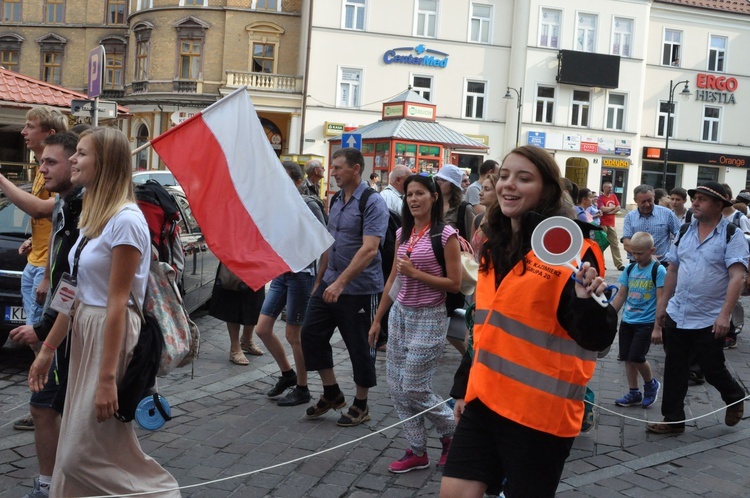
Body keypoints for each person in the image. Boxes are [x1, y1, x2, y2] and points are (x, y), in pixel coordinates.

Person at [440, 145, 617, 498]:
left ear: (547, 189)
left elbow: (598, 339)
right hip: (485, 401)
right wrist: (464, 387)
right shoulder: (494, 242)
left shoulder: (573, 249)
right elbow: (486, 324)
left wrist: (588, 303)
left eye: (524, 178)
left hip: (540, 415)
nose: (509, 185)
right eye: (504, 176)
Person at [27, 127, 180, 497]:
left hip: (109, 334)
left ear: (104, 162)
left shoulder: (127, 220)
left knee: (79, 455)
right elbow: (74, 291)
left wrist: (108, 379)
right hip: (84, 330)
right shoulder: (95, 218)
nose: (73, 160)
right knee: (76, 449)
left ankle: (159, 493)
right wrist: (48, 350)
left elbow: (117, 303)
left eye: (80, 153)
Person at [368, 173, 461, 473]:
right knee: (396, 388)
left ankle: (453, 434)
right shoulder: (402, 235)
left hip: (430, 317)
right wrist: (378, 319)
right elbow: (394, 280)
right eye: (409, 194)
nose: (413, 199)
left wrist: (417, 273)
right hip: (400, 316)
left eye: (420, 193)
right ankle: (417, 450)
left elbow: (454, 284)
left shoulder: (446, 236)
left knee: (414, 387)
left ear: (434, 197)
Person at [8, 132, 81, 498]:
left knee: (53, 407)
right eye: (41, 161)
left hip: (79, 330)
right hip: (62, 324)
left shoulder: (89, 208)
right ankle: (52, 484)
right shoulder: (67, 202)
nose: (42, 168)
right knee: (46, 407)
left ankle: (56, 485)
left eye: (51, 162)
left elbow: (77, 281)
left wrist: (45, 334)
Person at [648, 182, 748, 435]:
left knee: (712, 368)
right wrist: (663, 305)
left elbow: (737, 277)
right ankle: (673, 420)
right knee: (674, 368)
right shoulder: (684, 231)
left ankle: (734, 395)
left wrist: (725, 315)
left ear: (718, 205)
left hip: (709, 316)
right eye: (695, 198)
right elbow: (672, 269)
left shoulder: (731, 234)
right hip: (679, 312)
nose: (695, 202)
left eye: (702, 199)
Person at [301, 147, 388, 427]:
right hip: (330, 282)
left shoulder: (373, 202)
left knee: (360, 347)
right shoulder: (337, 199)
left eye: (338, 167)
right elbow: (331, 241)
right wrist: (320, 280)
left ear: (356, 169)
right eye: (333, 167)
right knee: (310, 334)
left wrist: (340, 283)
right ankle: (332, 392)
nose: (333, 172)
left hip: (360, 289)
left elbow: (370, 249)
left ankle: (361, 405)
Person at [3, 107, 67, 432]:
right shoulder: (43, 168)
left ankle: (49, 402)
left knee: (42, 339)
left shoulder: (59, 170)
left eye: (31, 126)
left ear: (50, 134)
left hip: (44, 268)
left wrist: (45, 274)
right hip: (35, 262)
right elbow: (48, 222)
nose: (24, 132)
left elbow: (46, 211)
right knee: (34, 340)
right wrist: (31, 238)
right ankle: (45, 399)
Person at [256, 161, 326, 406]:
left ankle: (303, 388)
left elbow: (326, 241)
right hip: (281, 273)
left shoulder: (307, 205)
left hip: (302, 275)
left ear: (298, 182)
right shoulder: (276, 206)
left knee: (294, 335)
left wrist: (319, 279)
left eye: (286, 179)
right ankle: (288, 374)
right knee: (262, 329)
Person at [610, 232, 665, 409]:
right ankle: (634, 392)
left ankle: (650, 384)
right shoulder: (630, 269)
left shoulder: (658, 270)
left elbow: (661, 301)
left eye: (640, 253)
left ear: (652, 250)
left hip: (646, 322)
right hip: (628, 321)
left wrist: (658, 328)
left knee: (637, 356)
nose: (636, 257)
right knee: (627, 357)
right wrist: (610, 315)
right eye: (633, 253)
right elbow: (621, 295)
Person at [434, 164, 476, 355]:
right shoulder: (433, 205)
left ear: (451, 184)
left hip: (455, 269)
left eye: (441, 180)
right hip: (433, 267)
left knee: (451, 311)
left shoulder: (464, 209)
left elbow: (472, 242)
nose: (437, 183)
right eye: (437, 180)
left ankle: (466, 351)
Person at [209, 262, 265, 364]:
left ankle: (247, 340)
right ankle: (235, 348)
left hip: (256, 259)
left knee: (255, 301)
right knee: (233, 303)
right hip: (235, 259)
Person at [622, 185, 680, 265]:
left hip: (661, 263)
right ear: (635, 200)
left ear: (654, 197)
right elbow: (627, 244)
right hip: (636, 264)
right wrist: (647, 256)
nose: (647, 205)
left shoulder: (667, 214)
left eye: (650, 200)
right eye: (643, 202)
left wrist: (674, 255)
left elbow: (681, 236)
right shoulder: (630, 217)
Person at [470, 173, 498, 257]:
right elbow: (471, 250)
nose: (480, 193)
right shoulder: (478, 219)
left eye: (486, 189)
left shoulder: (503, 221)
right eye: (481, 188)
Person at [598, 181, 625, 270]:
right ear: (604, 188)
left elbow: (618, 207)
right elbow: (602, 209)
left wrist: (610, 212)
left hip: (612, 224)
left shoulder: (613, 196)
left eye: (611, 187)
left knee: (615, 244)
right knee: (602, 245)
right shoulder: (600, 198)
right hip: (603, 224)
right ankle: (601, 263)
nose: (610, 189)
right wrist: (613, 208)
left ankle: (619, 264)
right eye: (608, 187)